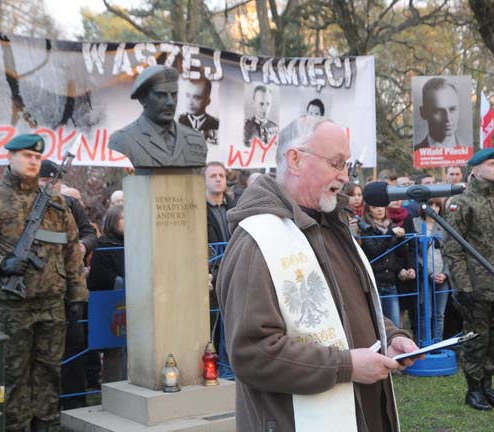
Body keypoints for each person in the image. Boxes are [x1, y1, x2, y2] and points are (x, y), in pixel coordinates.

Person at [216, 117, 421, 431]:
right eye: (336, 163)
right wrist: (345, 366)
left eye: (347, 164)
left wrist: (389, 337)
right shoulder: (256, 242)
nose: (344, 175)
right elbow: (252, 353)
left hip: (364, 411)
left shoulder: (332, 226)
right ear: (295, 160)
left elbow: (348, 308)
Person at [0, 134, 88, 432]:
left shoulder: (57, 202)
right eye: (26, 155)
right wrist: (2, 264)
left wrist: (77, 296)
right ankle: (15, 427)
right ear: (10, 157)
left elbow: (72, 249)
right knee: (14, 374)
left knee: (49, 371)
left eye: (37, 157)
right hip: (11, 306)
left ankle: (46, 425)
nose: (33, 161)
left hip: (52, 304)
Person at [443, 147, 494, 411]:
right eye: (491, 164)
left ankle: (488, 386)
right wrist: (462, 286)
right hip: (476, 288)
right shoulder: (462, 203)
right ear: (475, 170)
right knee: (477, 340)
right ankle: (473, 390)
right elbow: (452, 248)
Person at [38, 160, 98, 410]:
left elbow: (90, 233)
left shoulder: (70, 204)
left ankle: (75, 402)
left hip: (70, 287)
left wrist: (82, 245)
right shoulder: (24, 206)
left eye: (56, 181)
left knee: (74, 346)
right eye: (45, 181)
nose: (51, 185)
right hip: (38, 288)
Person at [108, 65, 208, 168]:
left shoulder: (196, 139)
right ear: (143, 99)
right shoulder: (122, 140)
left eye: (173, 95)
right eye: (161, 95)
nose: (170, 102)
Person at [87, 205, 126, 383]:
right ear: (113, 221)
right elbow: (99, 276)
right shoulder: (104, 244)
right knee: (115, 351)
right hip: (113, 306)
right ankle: (113, 388)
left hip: (137, 303)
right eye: (123, 218)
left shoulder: (138, 241)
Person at [360, 203, 415, 325]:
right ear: (368, 211)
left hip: (390, 282)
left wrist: (401, 239)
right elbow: (375, 251)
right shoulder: (366, 229)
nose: (379, 209)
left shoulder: (392, 226)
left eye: (381, 206)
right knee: (377, 324)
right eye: (375, 207)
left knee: (395, 323)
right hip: (374, 283)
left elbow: (400, 254)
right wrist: (390, 234)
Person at [205, 161, 235, 379]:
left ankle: (231, 370)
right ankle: (213, 371)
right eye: (213, 175)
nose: (218, 179)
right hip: (210, 277)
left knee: (233, 325)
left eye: (221, 175)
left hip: (234, 274)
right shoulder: (198, 209)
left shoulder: (234, 207)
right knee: (211, 328)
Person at [412, 198, 452, 342]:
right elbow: (415, 253)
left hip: (442, 273)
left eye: (437, 205)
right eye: (430, 204)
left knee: (439, 314)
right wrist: (429, 273)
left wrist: (445, 273)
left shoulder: (444, 225)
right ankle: (424, 344)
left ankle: (438, 343)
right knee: (426, 313)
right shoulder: (415, 223)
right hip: (424, 275)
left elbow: (451, 252)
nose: (433, 208)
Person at [414, 77, 465, 149]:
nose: (448, 118)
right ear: (423, 112)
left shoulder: (470, 151)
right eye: (438, 111)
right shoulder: (415, 153)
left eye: (452, 109)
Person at [178, 77, 219, 147]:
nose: (190, 102)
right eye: (188, 96)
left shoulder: (215, 124)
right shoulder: (179, 120)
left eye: (196, 97)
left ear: (208, 101)